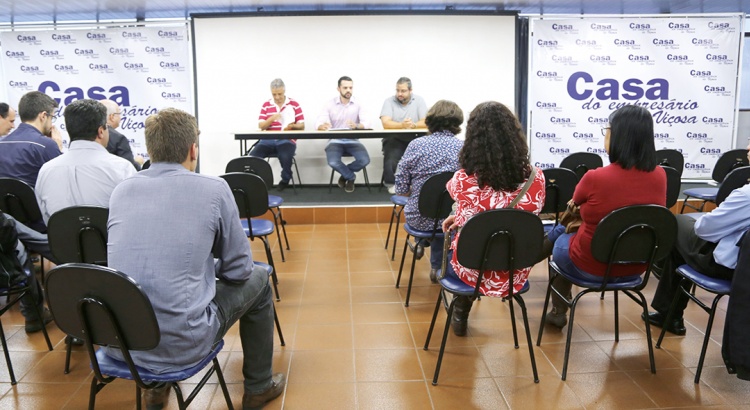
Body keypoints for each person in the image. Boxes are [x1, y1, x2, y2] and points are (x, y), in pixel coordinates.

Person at [105, 108, 284, 409]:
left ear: (149, 150)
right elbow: (239, 270)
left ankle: (156, 388)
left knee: (158, 289)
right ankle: (258, 387)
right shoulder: (214, 189)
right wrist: (208, 269)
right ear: (193, 149)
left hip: (123, 341)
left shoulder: (122, 191)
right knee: (259, 279)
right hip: (184, 342)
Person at [544, 105, 666, 329]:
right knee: (567, 234)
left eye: (607, 129)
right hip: (636, 266)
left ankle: (557, 310)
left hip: (592, 265)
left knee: (561, 237)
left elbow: (574, 203)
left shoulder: (595, 177)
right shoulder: (661, 175)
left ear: (619, 136)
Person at [441, 101, 546, 336]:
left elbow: (476, 211)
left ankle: (461, 306)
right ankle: (462, 305)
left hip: (470, 269)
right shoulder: (537, 178)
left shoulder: (462, 180)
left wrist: (459, 217)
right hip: (515, 269)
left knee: (459, 240)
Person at [646, 144, 750, 335]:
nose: (748, 146)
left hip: (730, 268)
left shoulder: (746, 195)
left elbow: (704, 230)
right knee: (680, 247)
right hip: (742, 266)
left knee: (677, 222)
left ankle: (669, 311)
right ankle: (668, 313)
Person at [36, 99, 136, 224]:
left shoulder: (45, 171)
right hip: (111, 241)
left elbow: (49, 221)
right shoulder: (122, 168)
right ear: (101, 131)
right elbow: (134, 216)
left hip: (63, 242)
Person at [394, 100, 463, 283]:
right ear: (457, 123)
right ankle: (437, 267)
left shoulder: (416, 145)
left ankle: (421, 242)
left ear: (430, 121)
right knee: (444, 218)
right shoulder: (464, 148)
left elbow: (401, 185)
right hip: (453, 218)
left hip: (418, 216)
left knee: (432, 216)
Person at [248, 78, 305, 191]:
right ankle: (258, 182)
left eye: (280, 94)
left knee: (285, 156)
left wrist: (292, 126)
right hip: (267, 140)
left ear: (284, 90)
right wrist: (272, 118)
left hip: (286, 139)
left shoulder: (294, 104)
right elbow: (261, 126)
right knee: (253, 157)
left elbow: (302, 126)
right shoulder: (266, 105)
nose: (277, 97)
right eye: (274, 94)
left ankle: (285, 180)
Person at [316, 76, 370, 193]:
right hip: (335, 140)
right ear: (338, 88)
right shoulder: (329, 104)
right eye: (345, 87)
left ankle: (344, 175)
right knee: (333, 162)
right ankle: (350, 177)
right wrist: (322, 126)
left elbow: (367, 123)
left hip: (353, 140)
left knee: (365, 160)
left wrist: (356, 125)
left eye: (350, 87)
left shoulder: (358, 103)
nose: (348, 90)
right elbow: (319, 122)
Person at [0, 91, 62, 188]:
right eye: (52, 117)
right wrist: (58, 147)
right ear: (43, 116)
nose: (51, 123)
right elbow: (63, 180)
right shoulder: (46, 145)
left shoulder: (2, 143)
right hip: (34, 202)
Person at [380, 77, 428, 194]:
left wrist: (413, 125)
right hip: (395, 137)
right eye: (397, 90)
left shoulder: (419, 100)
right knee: (391, 155)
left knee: (426, 154)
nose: (399, 94)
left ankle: (422, 183)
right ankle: (391, 184)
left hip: (415, 137)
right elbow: (385, 123)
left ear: (410, 90)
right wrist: (402, 125)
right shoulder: (389, 101)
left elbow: (426, 121)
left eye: (403, 91)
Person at [100, 99, 143, 170]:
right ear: (112, 117)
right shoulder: (118, 138)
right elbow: (130, 167)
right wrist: (138, 162)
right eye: (119, 114)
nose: (121, 117)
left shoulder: (87, 134)